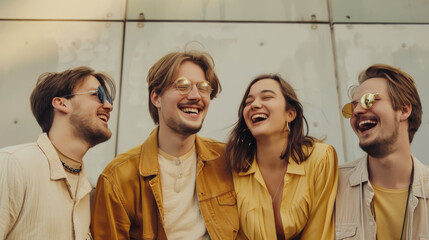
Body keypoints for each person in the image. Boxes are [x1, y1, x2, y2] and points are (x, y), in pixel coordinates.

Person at [91, 50, 239, 240]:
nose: (196, 95)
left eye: (203, 87)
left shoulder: (230, 160)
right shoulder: (117, 178)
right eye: (182, 85)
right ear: (156, 98)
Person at [0, 66, 116, 239]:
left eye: (108, 99)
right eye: (97, 94)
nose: (108, 106)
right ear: (62, 103)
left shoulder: (90, 190)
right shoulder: (13, 164)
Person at [226, 74, 338, 239]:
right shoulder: (233, 166)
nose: (255, 105)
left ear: (290, 114)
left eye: (267, 97)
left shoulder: (320, 158)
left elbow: (319, 232)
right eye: (248, 102)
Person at [336, 64, 427, 239]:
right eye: (352, 107)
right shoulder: (331, 187)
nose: (357, 111)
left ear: (404, 110)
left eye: (368, 100)